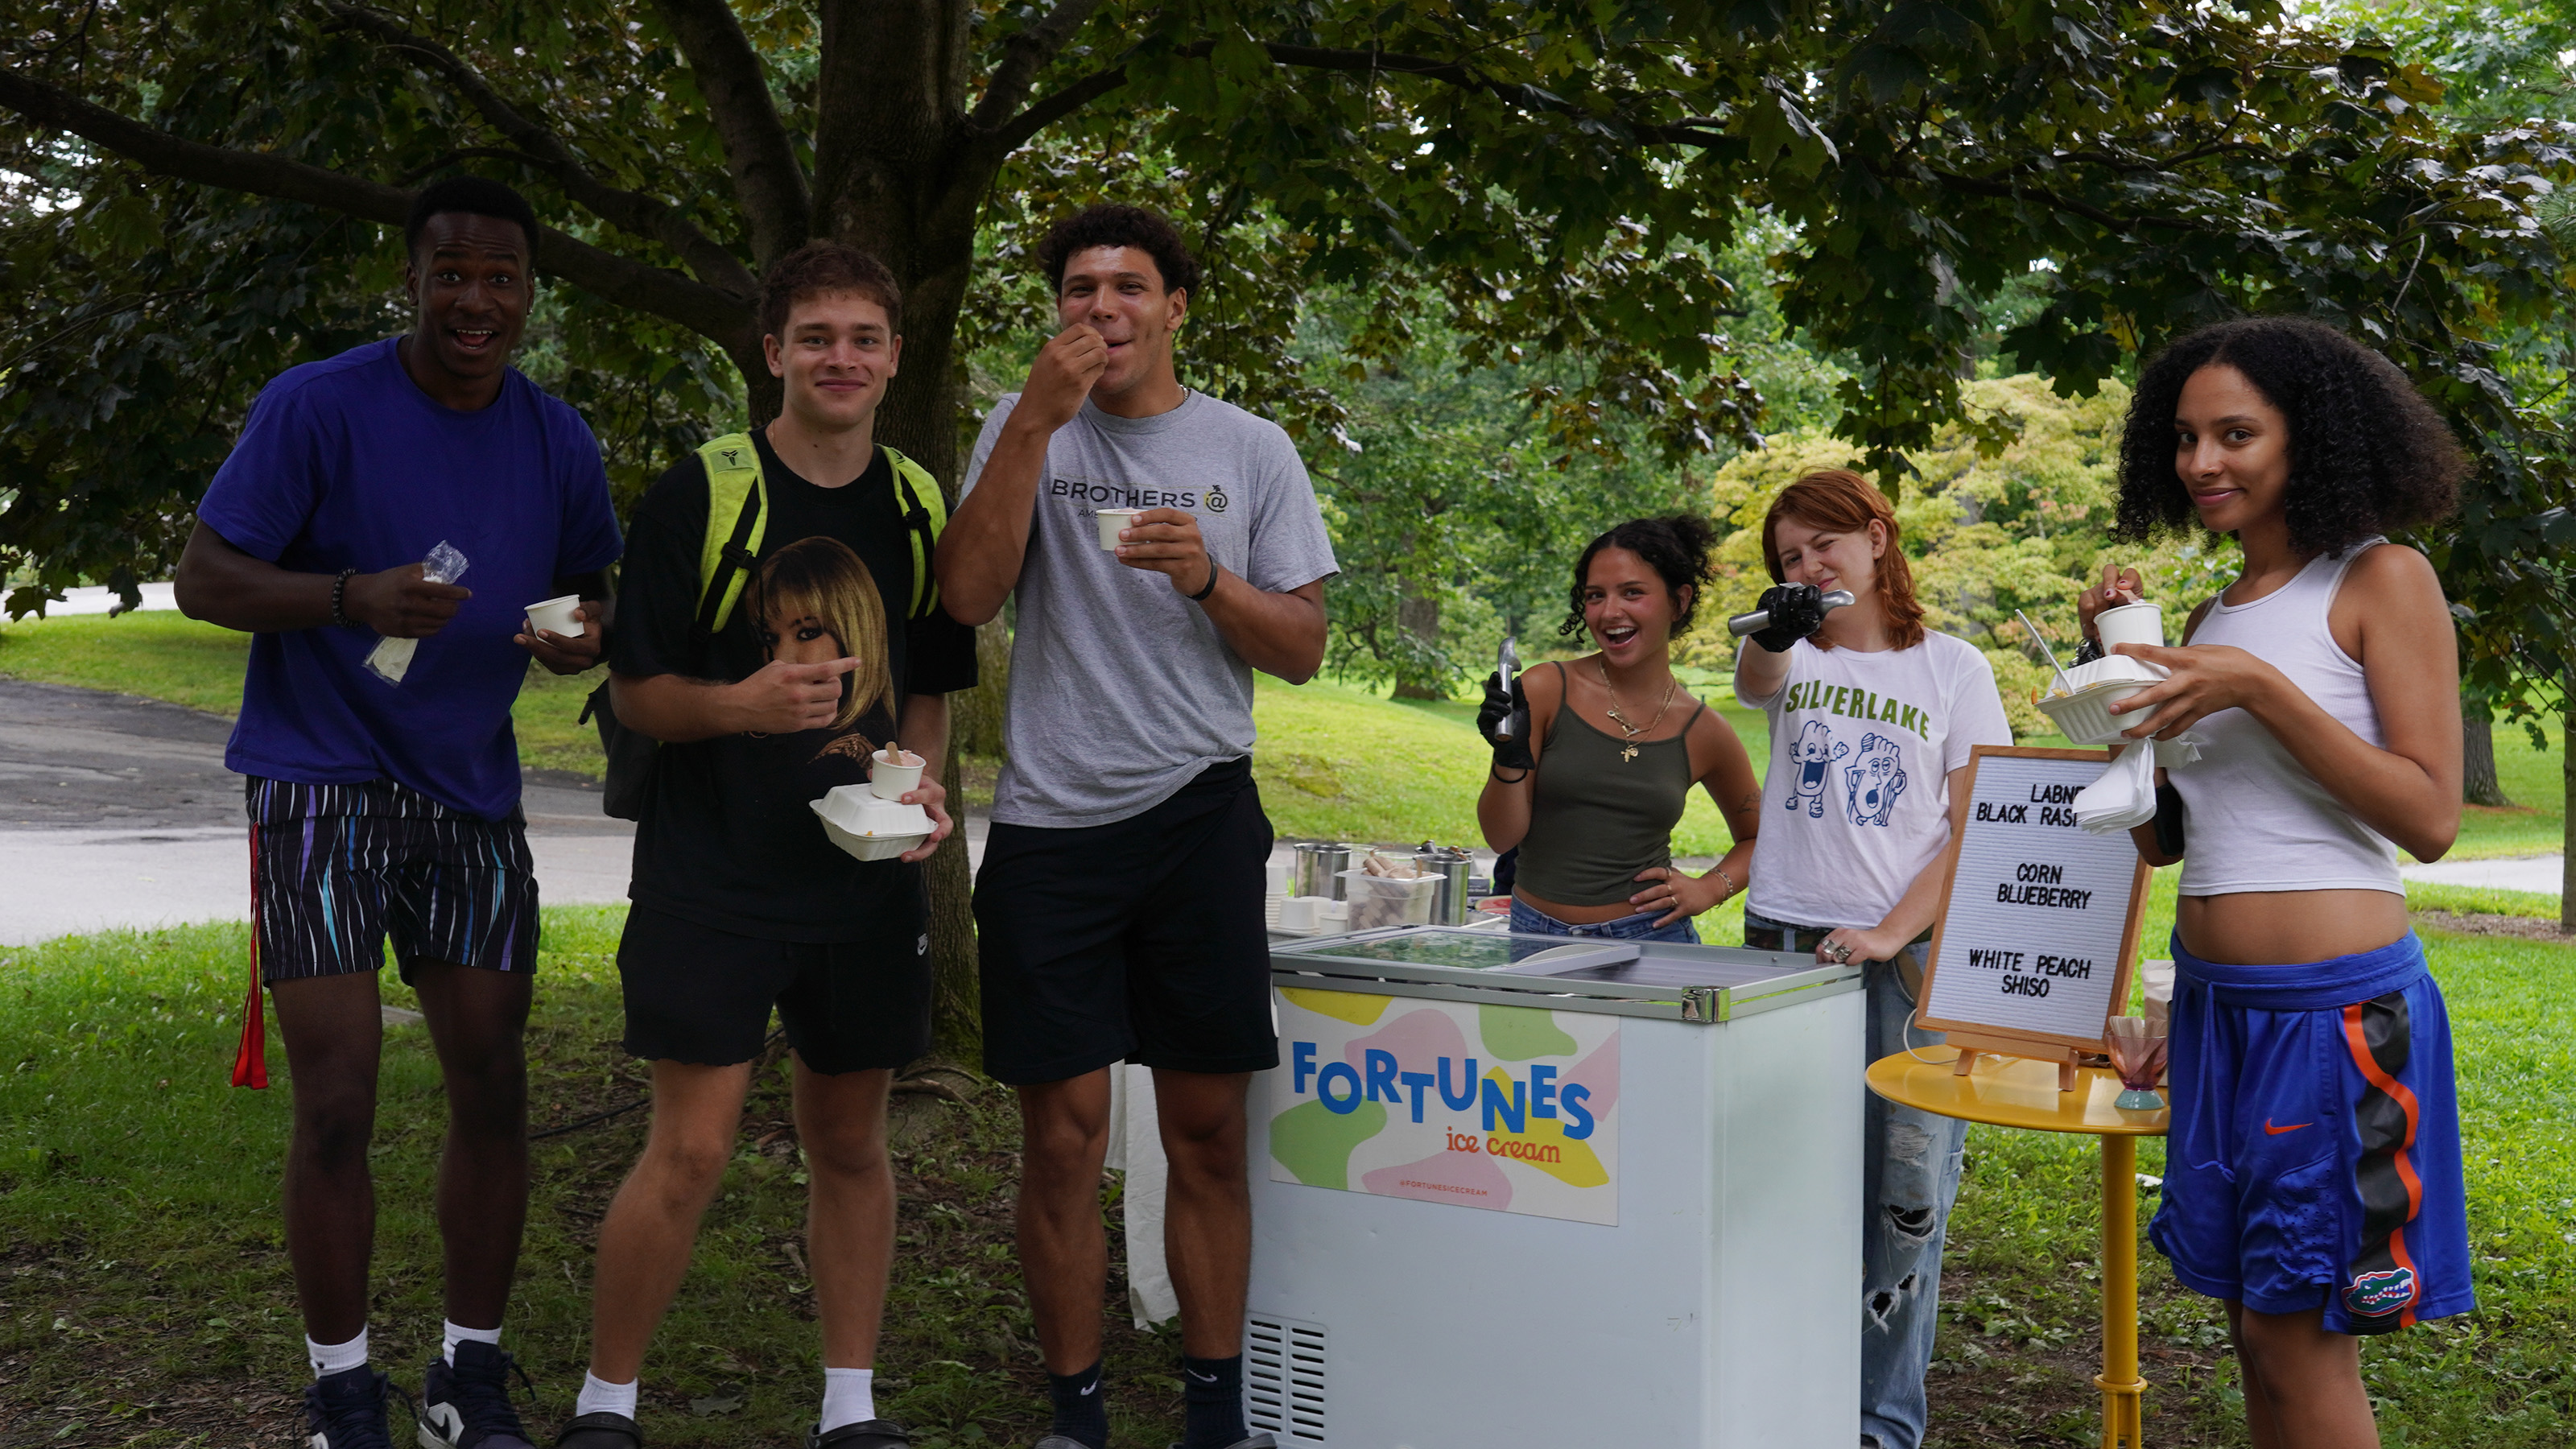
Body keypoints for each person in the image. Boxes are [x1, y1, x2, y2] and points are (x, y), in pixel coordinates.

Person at [171, 176, 620, 1449]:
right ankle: (343, 1391)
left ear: (530, 294)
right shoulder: (319, 404)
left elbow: (589, 597)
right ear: (412, 280)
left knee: (492, 1076)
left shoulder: (556, 437)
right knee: (339, 1098)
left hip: (469, 789)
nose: (476, 301)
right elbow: (204, 577)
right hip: (318, 779)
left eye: (501, 279)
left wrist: (580, 638)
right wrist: (347, 596)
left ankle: (466, 1382)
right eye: (452, 274)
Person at [553, 242, 974, 1449]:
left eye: (862, 338)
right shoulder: (706, 487)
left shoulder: (914, 500)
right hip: (714, 876)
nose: (838, 358)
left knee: (851, 1141)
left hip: (857, 882)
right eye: (815, 336)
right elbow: (636, 693)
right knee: (689, 1148)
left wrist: (916, 788)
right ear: (772, 350)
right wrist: (744, 704)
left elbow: (932, 682)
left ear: (894, 357)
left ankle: (852, 1411)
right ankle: (606, 1407)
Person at [935, 204, 1335, 1449]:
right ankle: (1078, 1413)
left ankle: (1214, 1412)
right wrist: (1033, 425)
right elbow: (964, 596)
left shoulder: (1251, 449)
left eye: (1126, 287)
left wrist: (1209, 577)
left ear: (1174, 308)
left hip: (1200, 815)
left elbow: (1308, 648)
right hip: (1053, 829)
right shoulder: (1027, 431)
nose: (1099, 308)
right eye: (1078, 288)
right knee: (1061, 1140)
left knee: (1207, 1127)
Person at [2093, 316, 2471, 1449]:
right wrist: (2118, 694)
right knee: (2257, 1337)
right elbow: (2167, 842)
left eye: (2237, 434)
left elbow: (2431, 816)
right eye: (2186, 437)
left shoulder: (2381, 577)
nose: (2202, 462)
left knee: (2301, 1339)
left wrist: (2261, 690)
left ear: (2313, 437)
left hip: (2335, 1020)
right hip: (2218, 1013)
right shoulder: (2214, 614)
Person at [1729, 469, 2014, 1449]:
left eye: (1823, 546)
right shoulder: (1789, 657)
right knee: (1771, 1184)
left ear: (1877, 537)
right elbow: (1753, 682)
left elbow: (1976, 827)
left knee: (1903, 1202)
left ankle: (1878, 1425)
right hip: (1779, 953)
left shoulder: (1954, 669)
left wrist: (1892, 931)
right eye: (1789, 557)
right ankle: (1769, 1403)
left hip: (1903, 968)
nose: (1808, 567)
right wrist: (1774, 627)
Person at [1474, 516, 1761, 941]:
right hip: (1536, 936)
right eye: (1595, 596)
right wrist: (1508, 757)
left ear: (1678, 601)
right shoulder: (1546, 689)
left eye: (1632, 593)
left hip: (1651, 938)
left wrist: (1709, 889)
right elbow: (1501, 838)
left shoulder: (1705, 730)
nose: (1610, 613)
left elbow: (1758, 838)